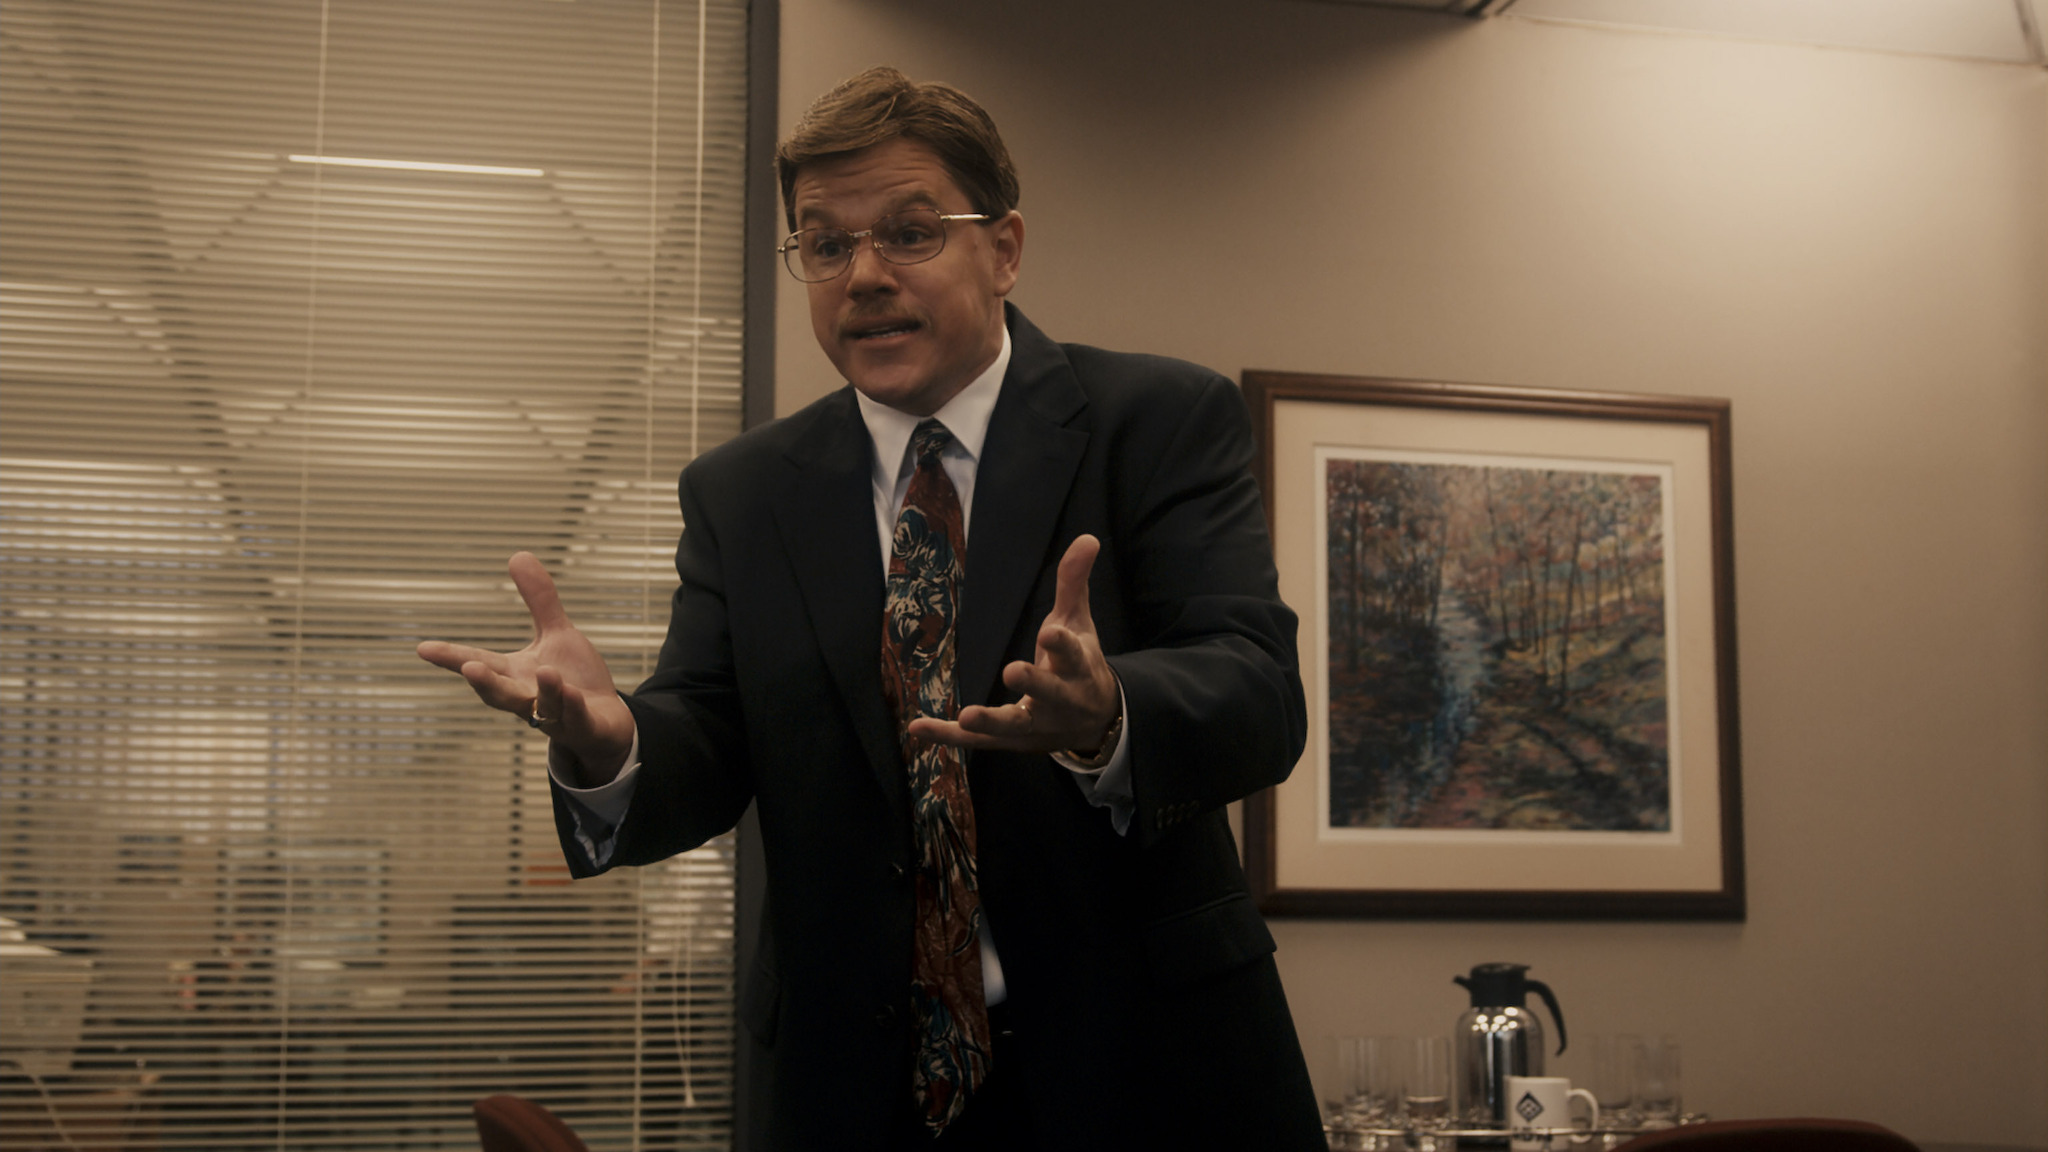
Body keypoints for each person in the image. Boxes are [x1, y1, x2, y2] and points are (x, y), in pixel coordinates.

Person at [418, 66, 1325, 1151]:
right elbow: (706, 730)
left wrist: (1108, 714)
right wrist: (610, 743)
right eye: (825, 243)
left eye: (909, 233)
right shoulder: (745, 492)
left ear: (1004, 249)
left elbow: (1257, 691)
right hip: (853, 1092)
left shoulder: (1157, 420)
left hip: (1148, 1075)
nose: (863, 276)